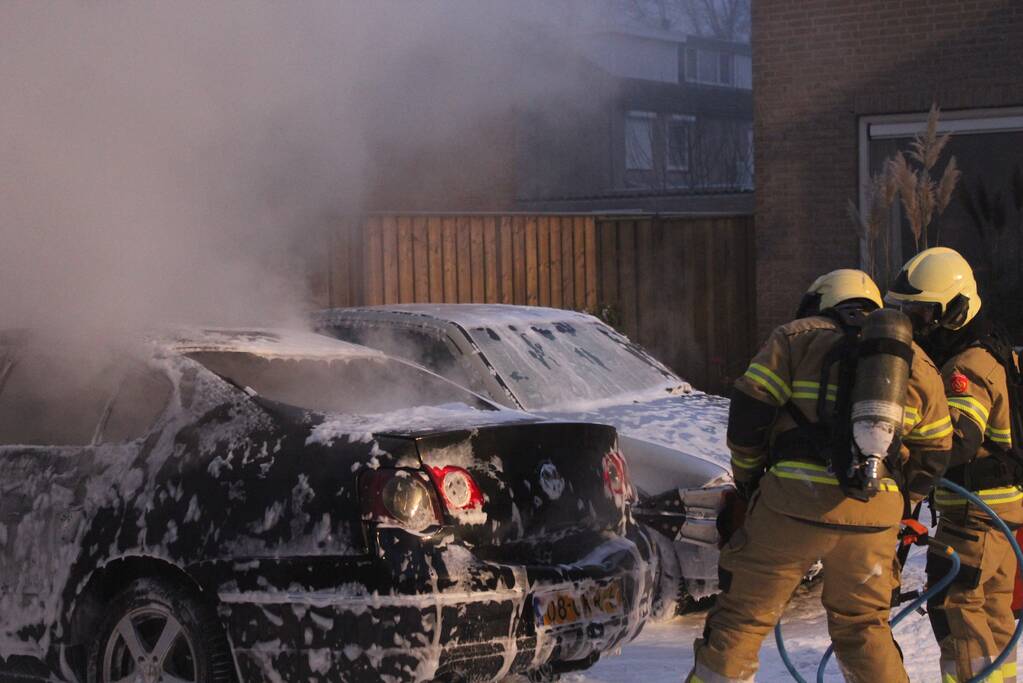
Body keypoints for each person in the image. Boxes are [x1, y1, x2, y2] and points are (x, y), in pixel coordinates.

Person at [687, 268, 952, 683]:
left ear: (821, 300)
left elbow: (748, 417)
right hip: (873, 516)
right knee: (865, 627)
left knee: (742, 620)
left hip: (790, 504)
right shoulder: (916, 361)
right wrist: (899, 504)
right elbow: (937, 451)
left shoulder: (793, 338)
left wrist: (751, 480)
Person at [886, 247, 1022, 683]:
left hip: (977, 512)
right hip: (999, 512)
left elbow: (957, 440)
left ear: (955, 311)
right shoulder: (990, 347)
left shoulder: (967, 366)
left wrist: (898, 444)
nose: (914, 325)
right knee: (992, 609)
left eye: (922, 314)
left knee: (955, 606)